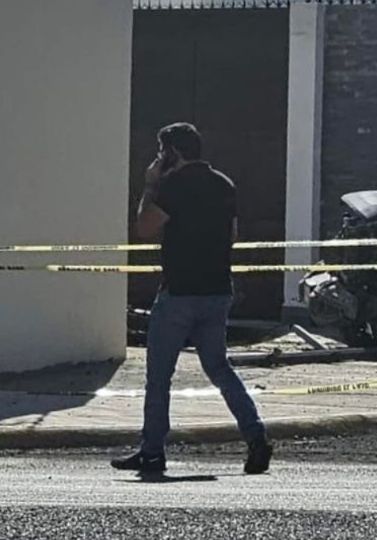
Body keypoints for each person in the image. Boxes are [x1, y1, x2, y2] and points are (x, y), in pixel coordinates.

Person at [111, 123, 272, 475]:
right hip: (216, 291)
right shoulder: (223, 184)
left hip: (179, 293)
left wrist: (150, 184)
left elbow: (145, 228)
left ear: (172, 152)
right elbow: (231, 235)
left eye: (161, 151)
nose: (158, 158)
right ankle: (256, 436)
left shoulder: (171, 185)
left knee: (159, 376)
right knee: (219, 368)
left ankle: (152, 452)